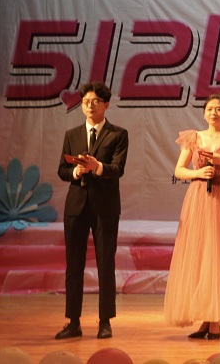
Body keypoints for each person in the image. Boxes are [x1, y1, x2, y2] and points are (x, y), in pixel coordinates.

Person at [164, 94, 220, 339]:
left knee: (219, 255)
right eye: (209, 109)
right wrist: (198, 174)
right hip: (199, 199)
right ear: (204, 113)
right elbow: (179, 170)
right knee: (202, 256)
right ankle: (207, 319)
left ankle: (215, 322)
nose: (213, 113)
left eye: (218, 109)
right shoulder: (193, 137)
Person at [55, 82, 129, 340]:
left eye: (95, 101)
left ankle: (105, 321)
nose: (89, 106)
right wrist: (76, 171)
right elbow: (62, 170)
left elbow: (118, 169)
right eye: (86, 102)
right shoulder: (72, 134)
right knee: (73, 266)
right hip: (76, 206)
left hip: (105, 207)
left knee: (105, 265)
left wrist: (97, 167)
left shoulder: (118, 134)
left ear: (106, 104)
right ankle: (73, 322)